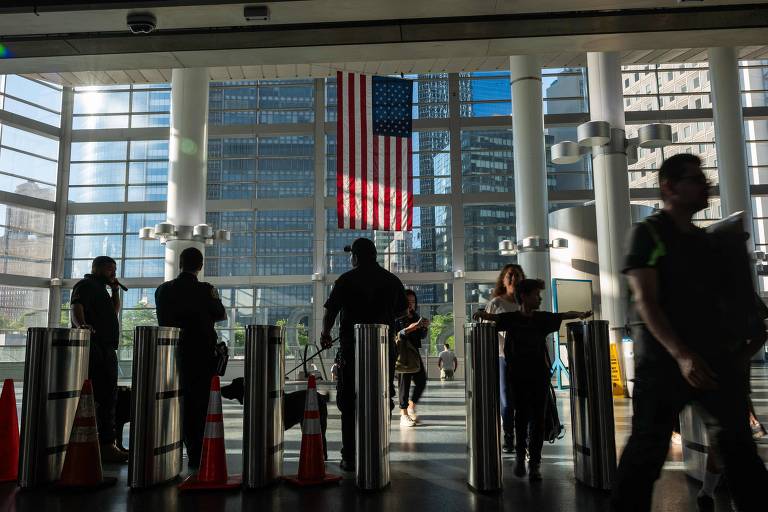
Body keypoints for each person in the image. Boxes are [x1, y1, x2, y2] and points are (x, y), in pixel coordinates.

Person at [611, 153, 768, 512]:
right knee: (646, 454)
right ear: (669, 187)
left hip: (712, 363)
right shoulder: (647, 233)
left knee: (740, 450)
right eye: (695, 180)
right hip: (664, 365)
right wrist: (681, 355)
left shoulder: (705, 241)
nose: (705, 186)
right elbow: (646, 301)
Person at [474, 278, 591, 482]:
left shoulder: (540, 318)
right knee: (522, 418)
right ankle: (521, 457)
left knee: (536, 420)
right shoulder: (513, 318)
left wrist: (580, 314)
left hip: (537, 377)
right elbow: (492, 318)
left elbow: (563, 315)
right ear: (525, 296)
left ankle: (534, 463)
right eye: (536, 294)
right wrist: (482, 314)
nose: (540, 297)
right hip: (519, 377)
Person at [320, 237, 408, 472]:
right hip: (382, 350)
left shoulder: (346, 280)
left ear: (356, 257)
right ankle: (379, 450)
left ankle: (349, 455)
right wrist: (383, 319)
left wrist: (325, 334)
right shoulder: (391, 280)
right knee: (382, 397)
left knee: (348, 401)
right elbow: (402, 311)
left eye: (352, 255)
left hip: (352, 349)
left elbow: (331, 311)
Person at [155, 247, 227, 470]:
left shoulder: (163, 290)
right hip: (203, 355)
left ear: (179, 263)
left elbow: (162, 320)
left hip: (173, 355)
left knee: (176, 401)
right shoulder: (206, 290)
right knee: (202, 403)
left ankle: (173, 447)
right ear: (201, 265)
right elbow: (221, 315)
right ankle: (197, 452)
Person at [71, 255, 128, 463]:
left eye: (114, 269)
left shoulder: (103, 290)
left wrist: (114, 290)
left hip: (106, 348)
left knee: (108, 395)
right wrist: (81, 326)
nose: (113, 272)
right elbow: (76, 307)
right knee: (101, 395)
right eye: (108, 269)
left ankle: (106, 443)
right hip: (94, 348)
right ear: (96, 268)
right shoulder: (86, 285)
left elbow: (114, 312)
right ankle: (103, 444)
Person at [486, 263, 525, 453]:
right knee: (507, 400)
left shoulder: (525, 302)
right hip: (503, 356)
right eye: (510, 275)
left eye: (517, 275)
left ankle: (523, 436)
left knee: (522, 399)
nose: (513, 278)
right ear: (503, 279)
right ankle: (509, 435)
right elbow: (486, 329)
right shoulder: (496, 303)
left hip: (525, 356)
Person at [395, 289, 430, 427]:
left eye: (413, 302)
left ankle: (411, 406)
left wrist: (424, 327)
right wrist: (411, 328)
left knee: (421, 381)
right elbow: (397, 334)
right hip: (402, 353)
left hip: (414, 353)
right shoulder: (397, 317)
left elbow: (421, 336)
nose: (411, 304)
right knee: (404, 384)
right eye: (408, 302)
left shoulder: (416, 316)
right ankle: (403, 414)